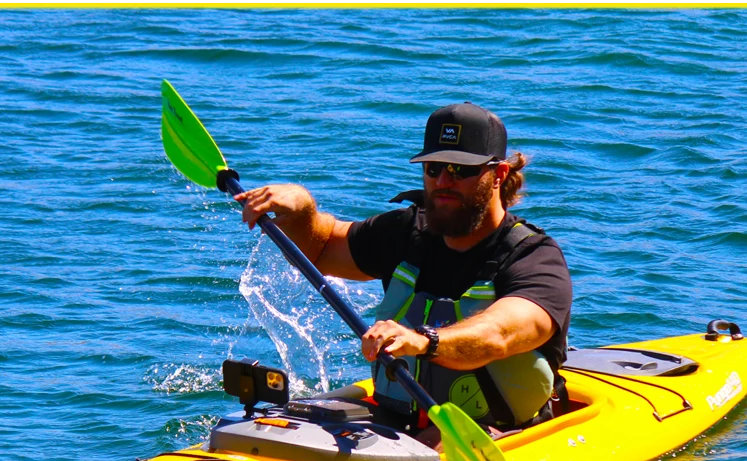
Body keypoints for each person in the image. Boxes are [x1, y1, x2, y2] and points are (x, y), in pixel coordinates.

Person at [235, 102, 572, 438]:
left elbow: (498, 334)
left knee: (434, 441)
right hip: (396, 420)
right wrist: (300, 207)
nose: (442, 181)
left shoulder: (534, 258)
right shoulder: (407, 232)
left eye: (459, 170)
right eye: (433, 168)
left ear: (498, 175)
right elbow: (321, 248)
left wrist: (423, 341)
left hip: (497, 433)